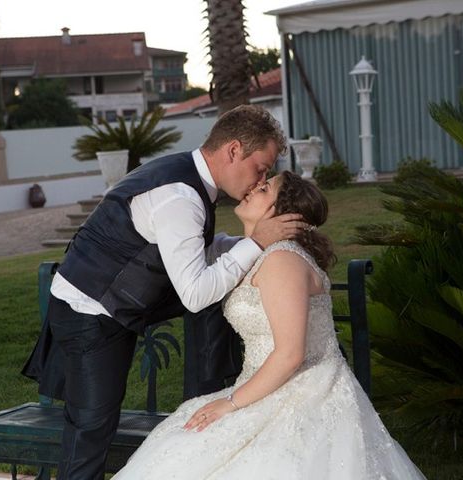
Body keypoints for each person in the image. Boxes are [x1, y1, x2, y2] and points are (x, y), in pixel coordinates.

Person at [21, 105, 305, 480]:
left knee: (92, 427)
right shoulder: (181, 197)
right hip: (90, 311)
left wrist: (251, 243)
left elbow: (192, 250)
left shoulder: (188, 176)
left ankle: (205, 392)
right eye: (261, 168)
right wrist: (255, 244)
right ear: (233, 150)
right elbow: (195, 293)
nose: (260, 179)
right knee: (90, 431)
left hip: (107, 302)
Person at [111, 171, 427, 480]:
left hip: (304, 391)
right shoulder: (260, 253)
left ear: (282, 215)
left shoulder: (282, 260)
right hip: (265, 384)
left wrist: (229, 403)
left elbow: (290, 353)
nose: (253, 187)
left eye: (264, 190)